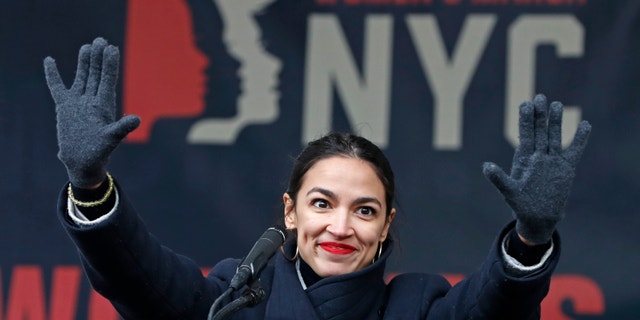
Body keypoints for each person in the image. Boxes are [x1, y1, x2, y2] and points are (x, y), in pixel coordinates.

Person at [44, 37, 591, 319]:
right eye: (322, 202)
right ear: (291, 211)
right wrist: (90, 184)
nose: (341, 225)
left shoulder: (419, 306)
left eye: (365, 210)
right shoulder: (236, 298)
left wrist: (530, 238)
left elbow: (491, 309)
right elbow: (140, 279)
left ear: (386, 225)